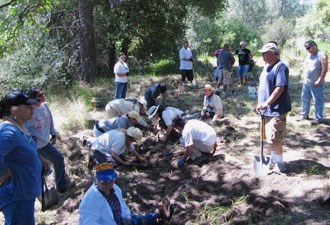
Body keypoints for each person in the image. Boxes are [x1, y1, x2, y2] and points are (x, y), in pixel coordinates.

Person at [79, 162, 171, 225]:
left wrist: (127, 218)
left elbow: (122, 206)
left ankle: (158, 214)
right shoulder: (90, 200)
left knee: (138, 220)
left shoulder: (115, 189)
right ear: (97, 180)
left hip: (122, 221)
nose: (107, 184)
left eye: (110, 181)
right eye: (103, 181)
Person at [0, 89, 42, 225]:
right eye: (28, 107)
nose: (32, 109)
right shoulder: (8, 131)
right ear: (14, 110)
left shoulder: (20, 127)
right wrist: (5, 171)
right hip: (15, 195)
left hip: (25, 194)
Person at [24, 88, 70, 193]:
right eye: (40, 96)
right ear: (33, 99)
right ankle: (44, 191)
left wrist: (53, 132)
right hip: (37, 146)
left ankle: (59, 185)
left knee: (57, 160)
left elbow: (50, 119)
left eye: (43, 94)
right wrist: (31, 144)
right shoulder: (30, 112)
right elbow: (25, 129)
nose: (43, 97)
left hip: (45, 142)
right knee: (53, 161)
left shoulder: (45, 106)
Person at [256, 42, 291, 172]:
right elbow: (263, 86)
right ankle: (273, 158)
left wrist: (267, 103)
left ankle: (280, 164)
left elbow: (280, 88)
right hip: (266, 109)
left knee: (275, 137)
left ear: (273, 53)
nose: (262, 56)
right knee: (269, 136)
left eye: (264, 53)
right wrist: (260, 104)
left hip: (277, 108)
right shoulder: (266, 66)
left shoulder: (280, 67)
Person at [298, 40, 328, 124]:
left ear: (314, 46)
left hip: (316, 83)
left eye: (309, 48)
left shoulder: (322, 56)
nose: (308, 50)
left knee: (318, 100)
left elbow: (324, 70)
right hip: (306, 82)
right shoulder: (308, 55)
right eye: (306, 48)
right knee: (305, 99)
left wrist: (319, 80)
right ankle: (304, 115)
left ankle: (318, 118)